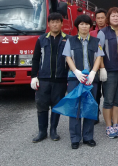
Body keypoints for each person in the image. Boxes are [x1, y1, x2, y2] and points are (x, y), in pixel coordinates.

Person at [62, 14, 104, 149]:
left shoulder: (96, 41)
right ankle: (75, 138)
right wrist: (76, 72)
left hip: (91, 79)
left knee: (90, 107)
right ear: (77, 26)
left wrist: (93, 72)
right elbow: (68, 57)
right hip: (75, 78)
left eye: (86, 24)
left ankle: (88, 137)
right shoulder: (71, 40)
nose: (84, 26)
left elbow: (98, 57)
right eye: (81, 24)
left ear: (90, 26)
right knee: (75, 108)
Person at [31, 12, 69, 143]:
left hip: (60, 79)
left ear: (62, 24)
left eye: (57, 22)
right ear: (48, 24)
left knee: (57, 105)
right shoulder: (41, 39)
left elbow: (71, 60)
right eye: (52, 22)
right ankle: (42, 131)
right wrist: (33, 76)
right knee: (41, 105)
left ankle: (53, 130)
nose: (55, 24)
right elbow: (36, 59)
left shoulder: (67, 39)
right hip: (44, 79)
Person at [97, 7, 118, 139]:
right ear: (108, 19)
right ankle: (108, 126)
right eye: (113, 16)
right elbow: (99, 52)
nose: (116, 18)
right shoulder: (102, 33)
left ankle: (116, 124)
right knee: (108, 100)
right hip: (108, 71)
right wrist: (102, 68)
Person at [90, 8, 108, 125]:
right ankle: (94, 115)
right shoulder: (91, 33)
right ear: (95, 20)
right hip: (95, 68)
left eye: (102, 17)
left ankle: (108, 114)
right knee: (94, 93)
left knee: (107, 93)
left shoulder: (111, 31)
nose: (100, 20)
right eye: (98, 18)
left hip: (108, 68)